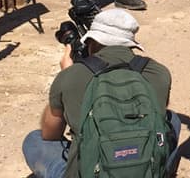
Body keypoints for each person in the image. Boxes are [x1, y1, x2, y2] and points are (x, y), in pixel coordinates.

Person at [21, 9, 179, 178]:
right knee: (172, 119)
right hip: (146, 170)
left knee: (34, 140)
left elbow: (50, 133)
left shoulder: (71, 76)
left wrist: (65, 77)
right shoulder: (159, 73)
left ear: (92, 41)